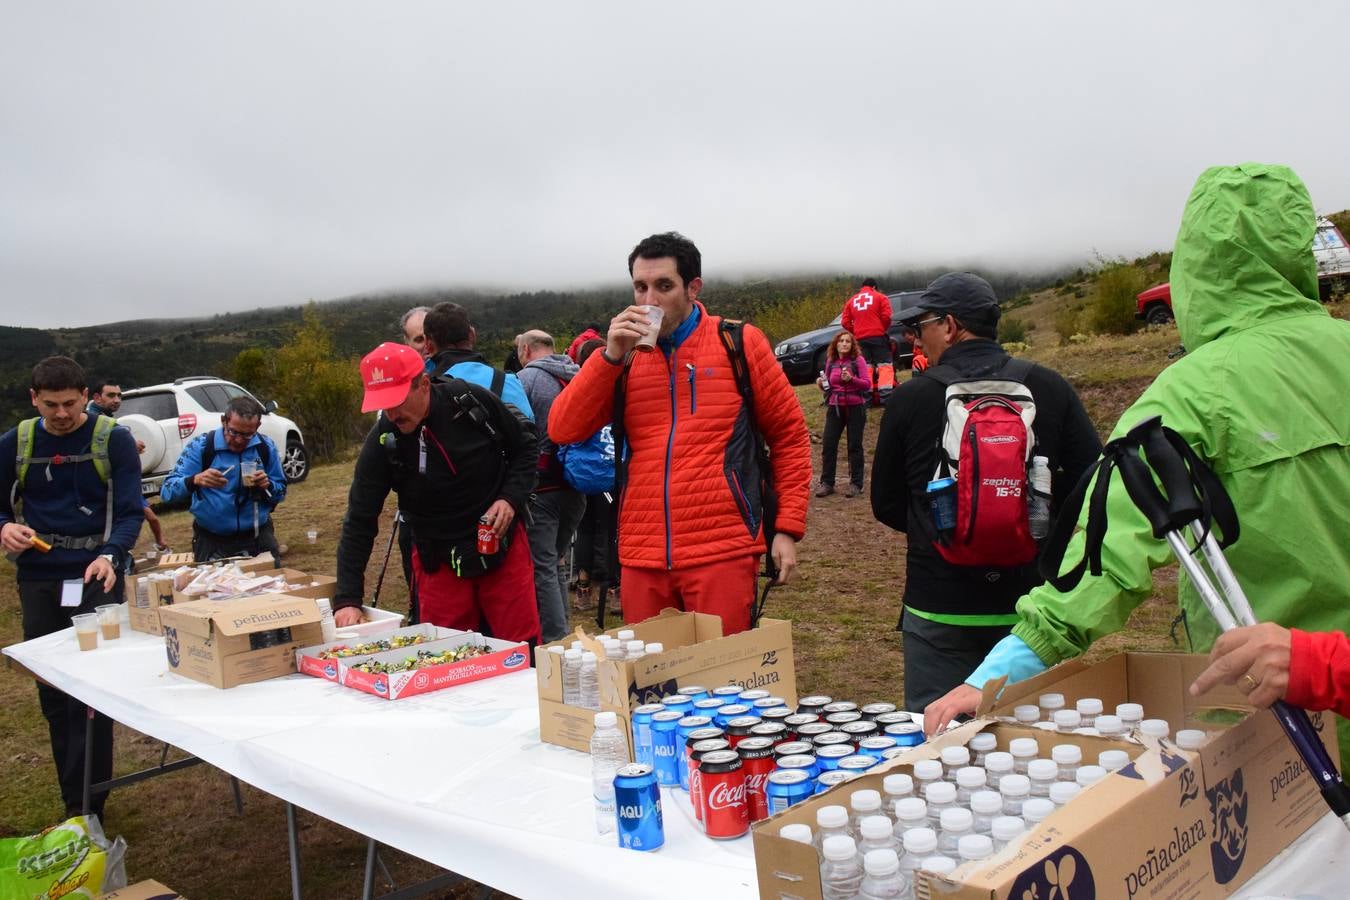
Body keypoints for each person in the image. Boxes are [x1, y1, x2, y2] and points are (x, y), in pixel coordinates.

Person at [923, 163, 1350, 768]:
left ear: (1195, 268)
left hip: (1287, 738)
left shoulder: (1192, 395)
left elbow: (1103, 559)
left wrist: (993, 678)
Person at [549, 231, 811, 634]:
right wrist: (610, 356)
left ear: (693, 287)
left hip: (721, 547)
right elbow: (563, 428)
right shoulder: (624, 359)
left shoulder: (737, 342)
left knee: (722, 683)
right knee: (653, 686)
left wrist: (787, 528)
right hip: (642, 552)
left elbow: (790, 436)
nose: (649, 300)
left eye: (664, 286)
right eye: (640, 287)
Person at [871, 272, 1101, 713]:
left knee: (936, 746)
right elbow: (1091, 485)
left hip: (938, 605)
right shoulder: (1051, 388)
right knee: (1034, 748)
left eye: (921, 328)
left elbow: (886, 503)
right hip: (1031, 610)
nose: (916, 340)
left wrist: (943, 529)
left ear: (950, 326)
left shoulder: (910, 399)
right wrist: (1039, 530)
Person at [0, 356, 143, 819]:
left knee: (90, 694)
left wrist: (111, 555)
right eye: (50, 405)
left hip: (94, 577)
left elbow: (129, 512)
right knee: (53, 693)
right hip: (39, 579)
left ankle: (88, 805)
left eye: (69, 403)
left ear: (86, 395)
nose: (60, 414)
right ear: (33, 399)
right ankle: (74, 800)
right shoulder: (16, 443)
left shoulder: (113, 440)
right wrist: (4, 527)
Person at [331, 343, 541, 646]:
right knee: (448, 652)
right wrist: (348, 599)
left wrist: (510, 498)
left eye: (398, 400)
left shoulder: (469, 401)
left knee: (522, 649)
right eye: (383, 403)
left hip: (499, 542)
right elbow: (360, 519)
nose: (392, 413)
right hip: (437, 557)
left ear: (424, 384)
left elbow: (526, 447)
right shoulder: (383, 438)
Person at [514, 329, 585, 642]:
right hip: (578, 483)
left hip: (542, 486)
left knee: (542, 565)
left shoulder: (525, 380)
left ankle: (556, 641)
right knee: (556, 561)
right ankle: (565, 632)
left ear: (526, 349)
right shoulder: (578, 375)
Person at [159, 396, 287, 563]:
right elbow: (166, 491)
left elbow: (281, 491)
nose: (239, 440)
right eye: (233, 432)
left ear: (258, 426)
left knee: (271, 588)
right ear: (223, 421)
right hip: (212, 541)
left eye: (248, 434)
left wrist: (267, 485)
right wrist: (195, 480)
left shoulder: (265, 447)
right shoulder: (201, 446)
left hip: (258, 537)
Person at [422, 302, 535, 421]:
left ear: (427, 344)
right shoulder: (508, 381)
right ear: (472, 335)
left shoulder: (425, 391)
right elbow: (528, 431)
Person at [568, 339, 617, 608]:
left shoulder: (579, 388)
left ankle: (584, 588)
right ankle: (614, 591)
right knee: (611, 530)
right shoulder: (616, 387)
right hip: (610, 472)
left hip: (584, 475)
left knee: (585, 529)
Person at [814, 331, 870, 498]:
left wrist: (852, 379)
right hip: (835, 406)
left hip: (855, 407)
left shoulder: (858, 361)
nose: (844, 344)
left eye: (848, 341)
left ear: (852, 345)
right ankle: (827, 483)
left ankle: (856, 484)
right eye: (841, 341)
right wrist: (821, 384)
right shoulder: (831, 361)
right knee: (829, 444)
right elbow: (829, 386)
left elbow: (867, 384)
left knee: (854, 446)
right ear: (836, 344)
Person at [841, 278, 893, 405]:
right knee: (884, 365)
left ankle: (866, 399)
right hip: (878, 337)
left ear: (862, 287)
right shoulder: (881, 297)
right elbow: (887, 317)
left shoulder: (851, 301)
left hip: (860, 339)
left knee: (865, 367)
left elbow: (845, 322)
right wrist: (882, 329)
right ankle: (886, 398)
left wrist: (857, 331)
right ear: (874, 287)